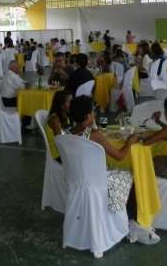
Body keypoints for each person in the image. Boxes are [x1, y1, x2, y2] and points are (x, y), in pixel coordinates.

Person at [67, 96, 159, 245]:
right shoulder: (93, 135)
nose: (95, 114)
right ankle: (131, 220)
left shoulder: (67, 133)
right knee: (132, 174)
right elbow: (119, 156)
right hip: (97, 181)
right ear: (88, 115)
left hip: (77, 179)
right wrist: (130, 142)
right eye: (93, 111)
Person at [46, 91, 72, 162]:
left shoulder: (66, 117)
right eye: (70, 102)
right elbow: (59, 142)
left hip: (65, 149)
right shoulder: (54, 120)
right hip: (58, 154)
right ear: (61, 105)